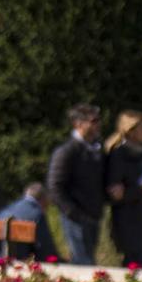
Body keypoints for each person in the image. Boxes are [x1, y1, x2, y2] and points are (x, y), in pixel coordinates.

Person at [46, 103, 106, 265]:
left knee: (88, 261)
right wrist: (73, 212)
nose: (98, 124)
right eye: (94, 121)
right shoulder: (67, 151)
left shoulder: (96, 149)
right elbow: (54, 186)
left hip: (92, 215)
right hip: (76, 218)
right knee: (83, 263)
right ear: (78, 123)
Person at [104, 110, 142, 267]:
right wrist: (141, 189)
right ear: (131, 131)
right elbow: (115, 194)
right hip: (126, 221)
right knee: (135, 264)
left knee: (141, 263)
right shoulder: (118, 155)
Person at [0, 182, 51, 260]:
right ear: (43, 199)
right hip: (17, 260)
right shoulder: (37, 214)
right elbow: (46, 248)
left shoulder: (8, 208)